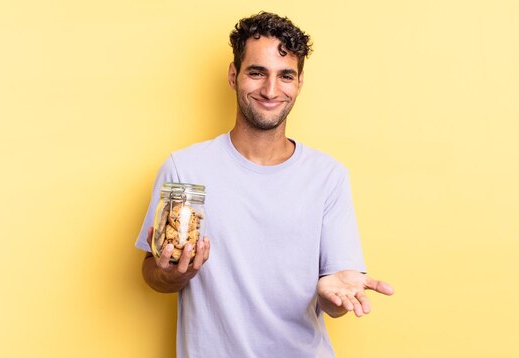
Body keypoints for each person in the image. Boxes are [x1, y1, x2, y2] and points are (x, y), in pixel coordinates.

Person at [136, 11, 394, 357]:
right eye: (257, 73)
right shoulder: (185, 169)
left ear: (299, 83)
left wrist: (335, 298)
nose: (271, 90)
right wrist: (174, 275)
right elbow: (152, 272)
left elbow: (337, 293)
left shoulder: (328, 176)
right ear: (234, 75)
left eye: (285, 76)